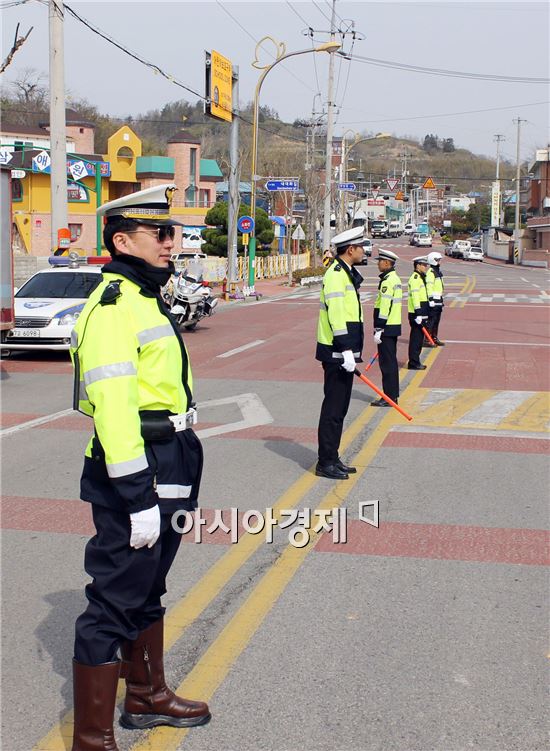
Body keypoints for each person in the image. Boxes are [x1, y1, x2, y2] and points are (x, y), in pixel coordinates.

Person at [69, 184, 211, 751]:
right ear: (123, 240)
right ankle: (91, 738)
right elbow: (114, 408)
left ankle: (148, 697)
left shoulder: (147, 296)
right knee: (112, 603)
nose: (172, 243)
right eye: (161, 233)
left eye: (172, 232)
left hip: (171, 457)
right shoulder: (113, 305)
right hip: (138, 468)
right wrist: (137, 496)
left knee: (149, 587)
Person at [316, 226, 365, 480]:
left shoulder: (346, 274)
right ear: (351, 249)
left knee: (340, 410)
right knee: (333, 411)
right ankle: (325, 462)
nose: (364, 251)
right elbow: (336, 315)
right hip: (336, 353)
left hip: (343, 354)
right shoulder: (336, 275)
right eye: (361, 247)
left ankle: (333, 457)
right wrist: (346, 349)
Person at [372, 248, 402, 406]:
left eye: (380, 262)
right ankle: (393, 395)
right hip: (393, 325)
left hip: (387, 327)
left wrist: (379, 328)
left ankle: (389, 397)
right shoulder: (394, 278)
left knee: (387, 363)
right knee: (391, 361)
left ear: (386, 263)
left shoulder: (388, 281)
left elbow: (384, 306)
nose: (378, 264)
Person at [407, 256, 430, 370]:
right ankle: (413, 362)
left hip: (421, 312)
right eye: (424, 265)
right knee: (416, 340)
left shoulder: (420, 278)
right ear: (417, 265)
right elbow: (415, 297)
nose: (426, 267)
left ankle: (416, 360)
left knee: (419, 339)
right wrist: (418, 313)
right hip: (417, 314)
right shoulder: (415, 278)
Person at [425, 251, 445, 346]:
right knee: (431, 320)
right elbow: (429, 287)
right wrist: (430, 299)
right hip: (433, 301)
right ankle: (427, 339)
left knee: (437, 321)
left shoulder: (438, 271)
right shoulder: (431, 272)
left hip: (439, 300)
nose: (439, 261)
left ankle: (434, 337)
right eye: (438, 260)